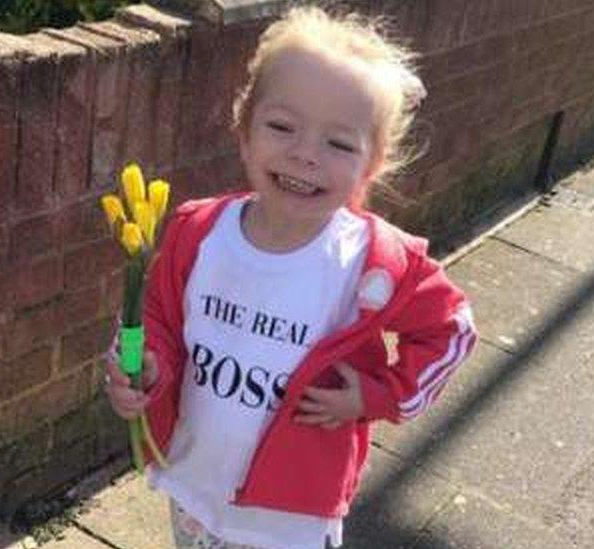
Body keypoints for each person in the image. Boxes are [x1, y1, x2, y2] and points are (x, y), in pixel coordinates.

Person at [104, 6, 476, 549]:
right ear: (244, 130)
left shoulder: (375, 261)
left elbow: (454, 330)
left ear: (371, 165)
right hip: (193, 487)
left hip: (291, 520)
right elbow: (155, 316)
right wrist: (140, 370)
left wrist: (379, 395)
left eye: (339, 144)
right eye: (282, 127)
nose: (305, 155)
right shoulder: (197, 230)